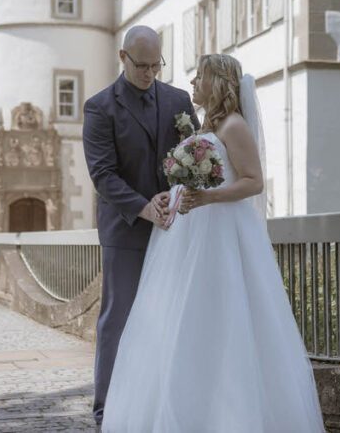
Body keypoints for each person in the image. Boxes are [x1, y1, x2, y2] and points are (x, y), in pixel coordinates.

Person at [101, 53, 324, 432]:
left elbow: (254, 181)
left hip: (222, 235)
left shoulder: (234, 126)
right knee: (183, 319)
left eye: (199, 76)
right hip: (190, 236)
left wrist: (207, 198)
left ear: (217, 81)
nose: (192, 83)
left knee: (222, 318)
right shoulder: (210, 125)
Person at [82, 25, 198, 426]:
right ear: (122, 57)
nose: (150, 73)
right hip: (125, 229)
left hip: (174, 228)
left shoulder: (180, 100)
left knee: (173, 316)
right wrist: (144, 207)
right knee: (118, 319)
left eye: (156, 65)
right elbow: (103, 175)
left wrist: (177, 198)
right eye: (142, 65)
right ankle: (107, 410)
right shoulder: (99, 108)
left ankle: (161, 407)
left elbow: (195, 156)